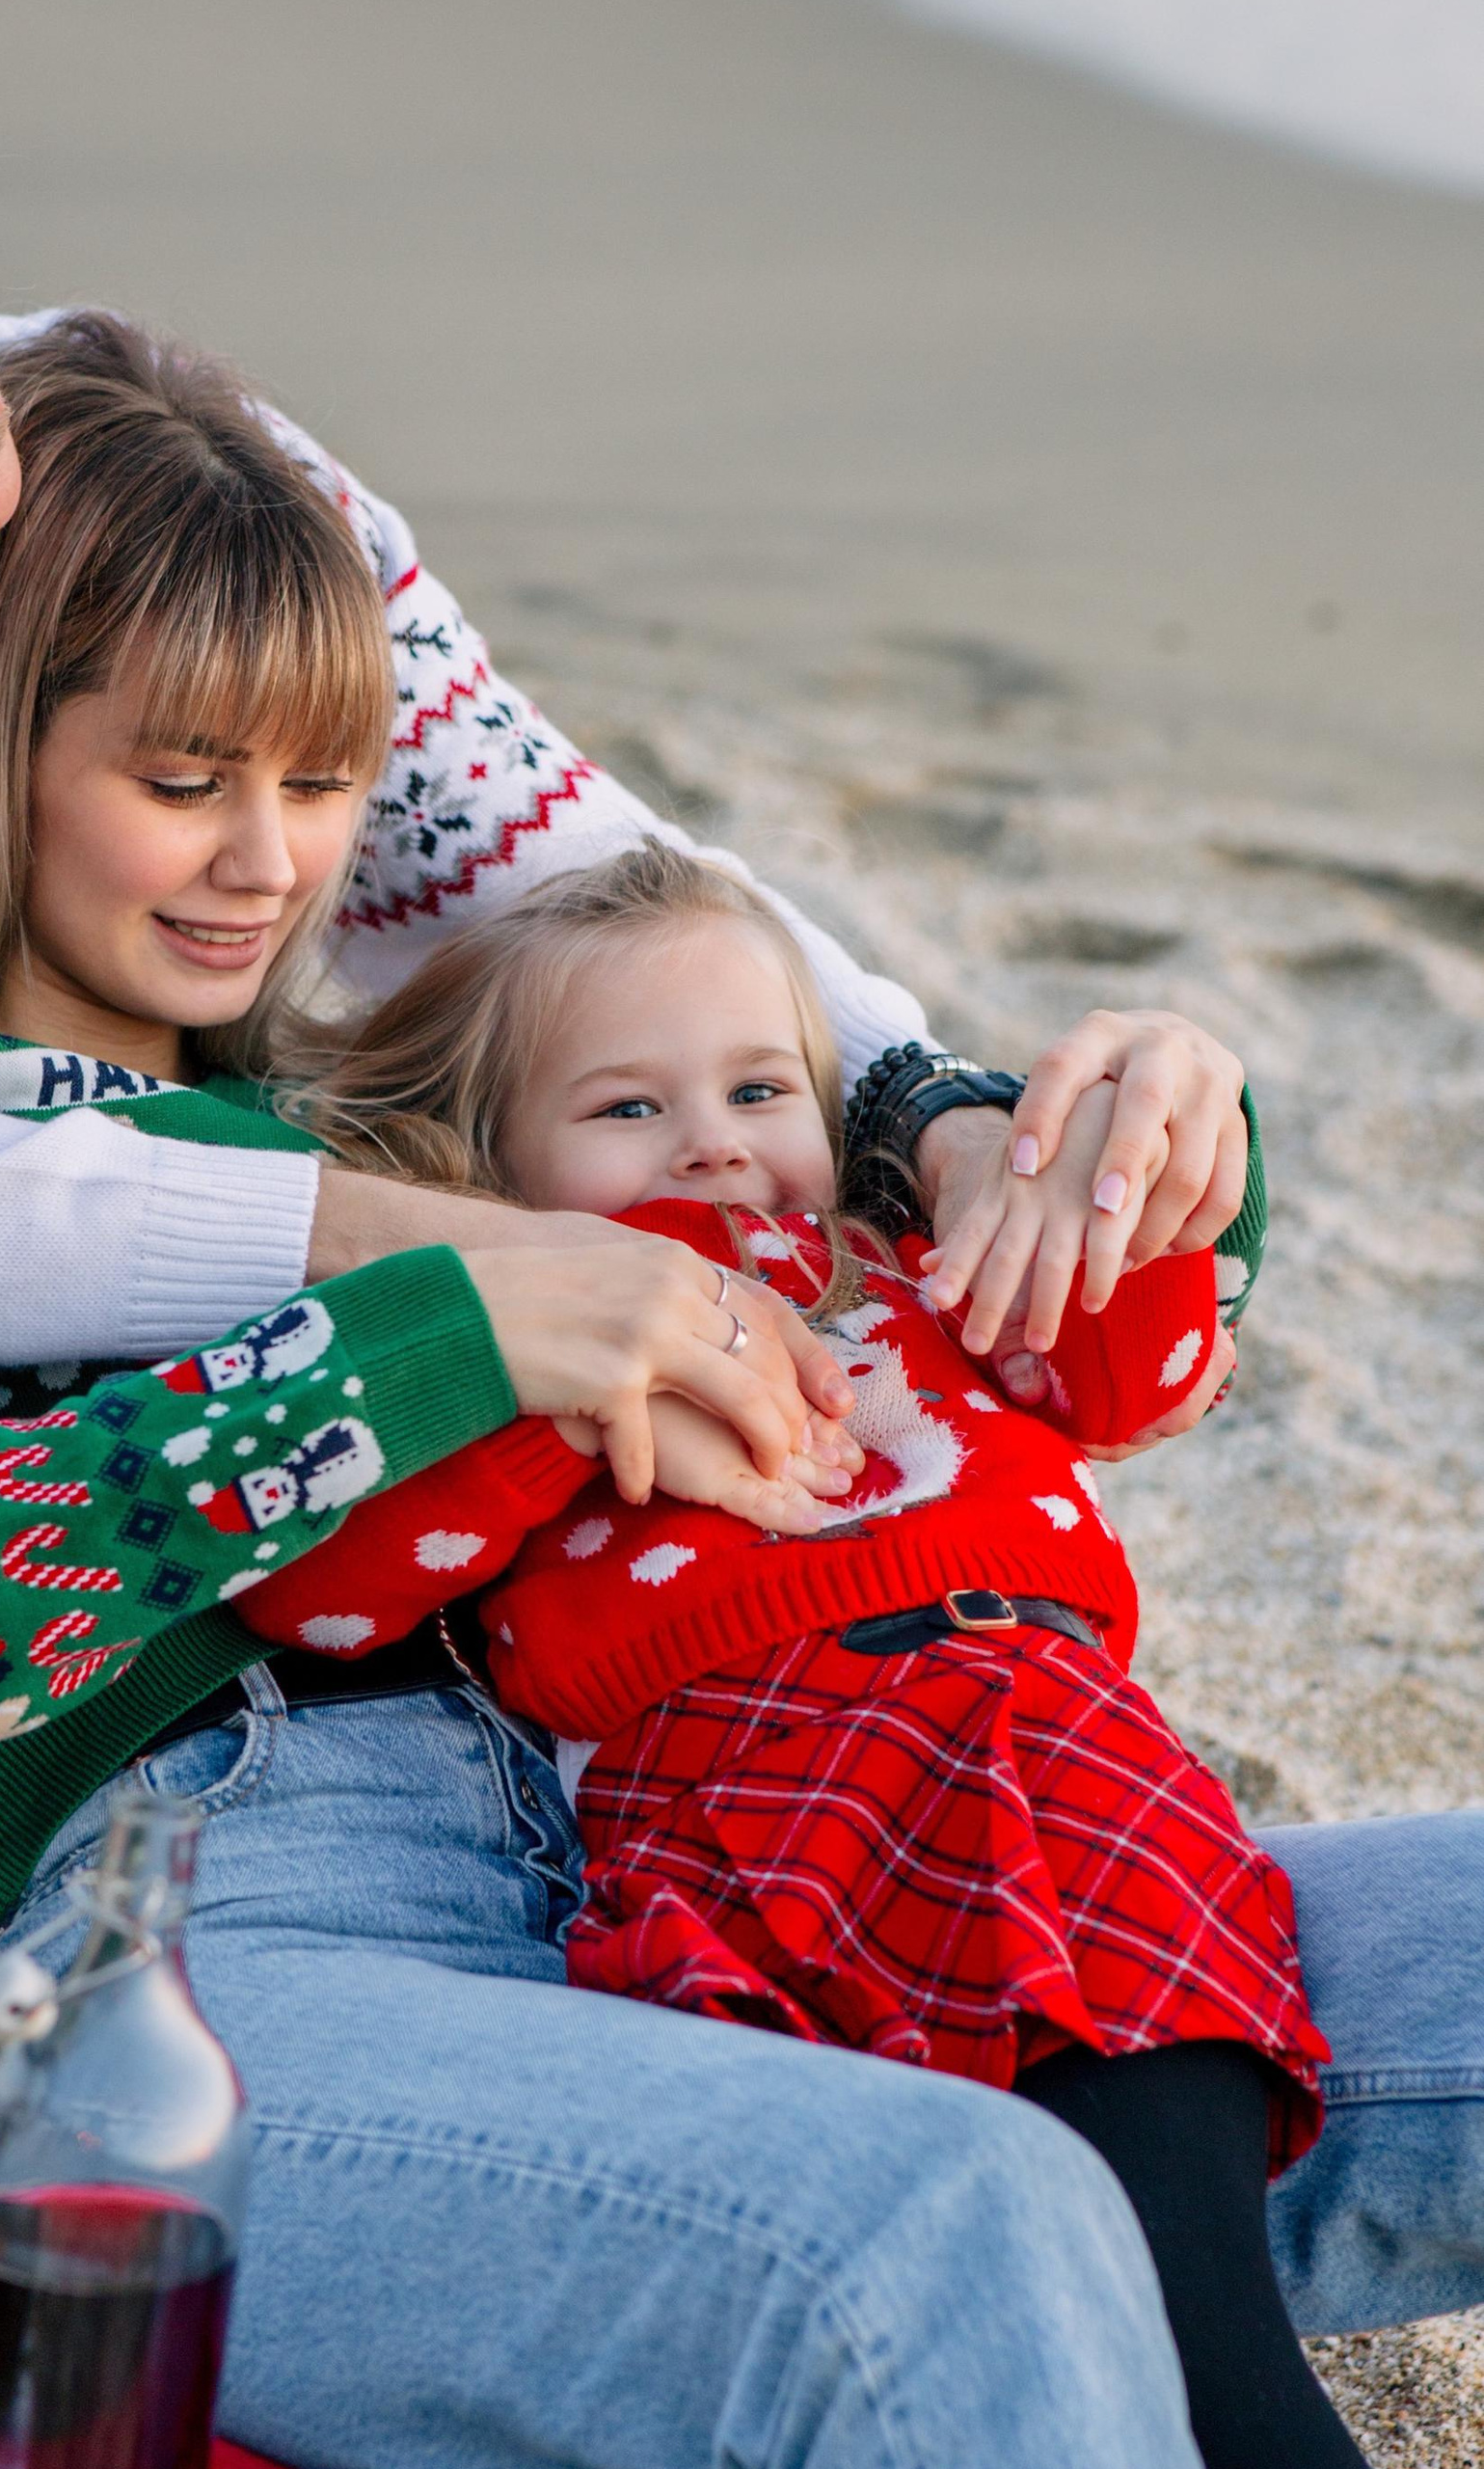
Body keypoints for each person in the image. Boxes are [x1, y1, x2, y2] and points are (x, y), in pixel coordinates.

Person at [0, 46, 1484, 2455]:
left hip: (673, 1822)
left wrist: (1002, 1117)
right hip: (163, 1877)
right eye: (176, 772)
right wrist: (416, 1290)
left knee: (1011, 2159)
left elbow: (572, 864)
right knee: (954, 2227)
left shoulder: (330, 949)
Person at [0, 310, 1307, 2466]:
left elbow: (757, 1158)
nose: (269, 867)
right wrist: (462, 1321)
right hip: (229, 1949)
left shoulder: (383, 1093)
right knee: (957, 2221)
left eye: (320, 786)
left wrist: (1142, 1138)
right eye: (180, 781)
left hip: (730, 1869)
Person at [243, 840, 1357, 2466]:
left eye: (763, 1089)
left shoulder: (903, 1277)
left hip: (1060, 1729)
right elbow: (324, 1594)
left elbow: (1138, 1370)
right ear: (489, 1174)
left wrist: (1150, 1156)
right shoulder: (532, 1362)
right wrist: (534, 1365)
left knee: (1161, 2175)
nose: (716, 1145)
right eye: (627, 1111)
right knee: (931, 2233)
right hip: (763, 1788)